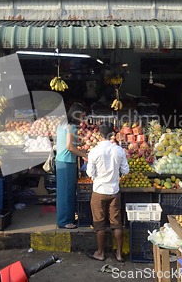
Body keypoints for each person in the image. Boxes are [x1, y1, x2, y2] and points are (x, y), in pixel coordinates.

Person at [86, 122, 129, 262]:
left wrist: (97, 176)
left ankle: (100, 253)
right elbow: (126, 171)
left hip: (99, 190)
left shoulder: (94, 151)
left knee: (99, 223)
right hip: (114, 191)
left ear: (99, 135)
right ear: (113, 135)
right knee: (116, 223)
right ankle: (119, 254)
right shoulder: (119, 150)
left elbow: (89, 172)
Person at [55, 102, 88, 229]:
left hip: (61, 161)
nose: (83, 119)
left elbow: (66, 144)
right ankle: (64, 221)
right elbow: (69, 147)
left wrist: (79, 148)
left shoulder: (62, 124)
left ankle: (65, 218)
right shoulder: (71, 127)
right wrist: (84, 155)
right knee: (67, 192)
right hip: (66, 161)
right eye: (82, 116)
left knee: (64, 192)